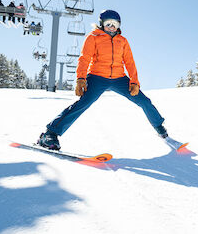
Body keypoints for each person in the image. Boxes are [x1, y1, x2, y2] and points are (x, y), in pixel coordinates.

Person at [37, 9, 179, 151]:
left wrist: (134, 81)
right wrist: (81, 78)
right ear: (101, 24)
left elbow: (130, 62)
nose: (112, 27)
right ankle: (50, 134)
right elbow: (84, 59)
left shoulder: (122, 41)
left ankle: (159, 128)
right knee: (83, 104)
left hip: (119, 78)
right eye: (108, 23)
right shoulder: (93, 37)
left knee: (144, 101)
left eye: (115, 24)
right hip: (97, 77)